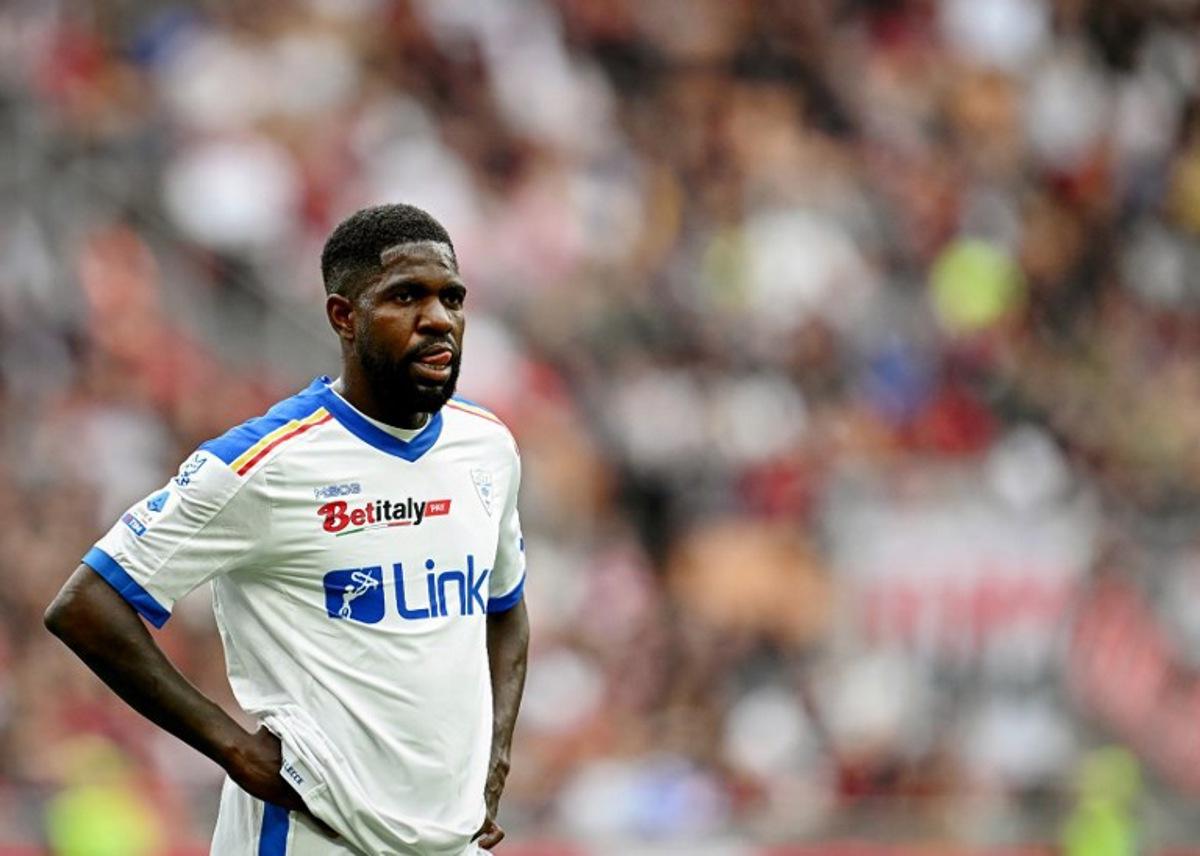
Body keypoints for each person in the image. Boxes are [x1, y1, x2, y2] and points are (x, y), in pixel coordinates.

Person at [44, 204, 530, 856]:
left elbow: (506, 609)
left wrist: (493, 764)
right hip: (310, 835)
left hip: (450, 841)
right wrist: (234, 748)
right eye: (406, 297)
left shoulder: (487, 446)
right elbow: (87, 604)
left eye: (452, 298)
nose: (438, 319)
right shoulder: (266, 463)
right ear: (343, 317)